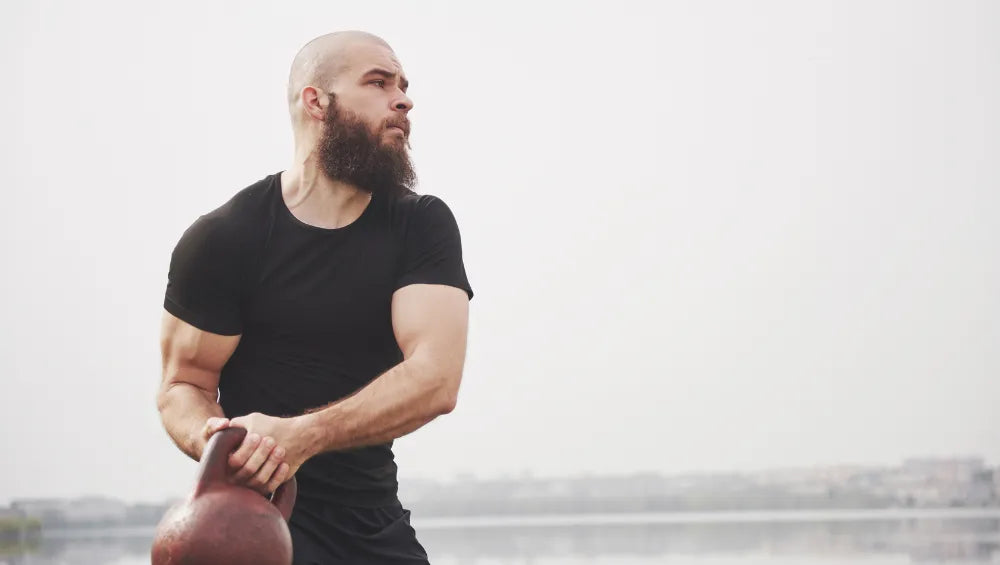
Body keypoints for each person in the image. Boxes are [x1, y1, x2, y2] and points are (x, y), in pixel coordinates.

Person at [156, 30, 473, 564]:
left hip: (374, 527)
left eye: (403, 85)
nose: (404, 99)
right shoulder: (225, 238)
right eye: (378, 82)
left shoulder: (420, 226)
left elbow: (436, 379)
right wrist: (219, 441)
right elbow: (183, 385)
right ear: (315, 101)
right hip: (253, 528)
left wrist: (299, 436)